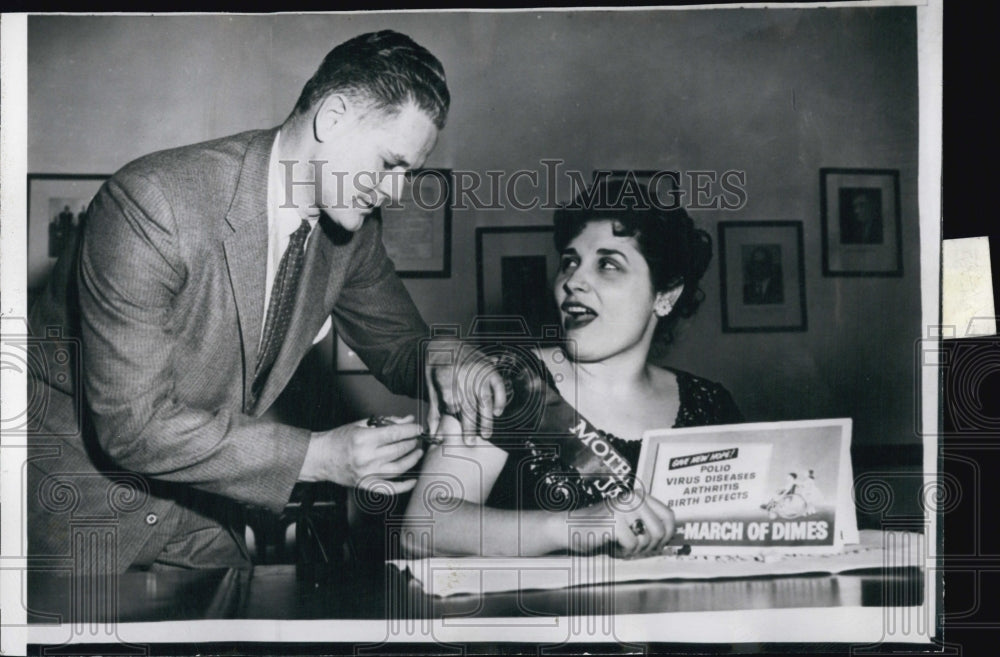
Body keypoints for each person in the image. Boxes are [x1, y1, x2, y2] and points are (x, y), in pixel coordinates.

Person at [27, 30, 505, 574]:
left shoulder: (352, 229)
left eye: (409, 174)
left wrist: (441, 356)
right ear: (333, 117)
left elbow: (399, 345)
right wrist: (321, 458)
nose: (396, 193)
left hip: (200, 512)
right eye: (390, 164)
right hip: (77, 508)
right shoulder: (154, 203)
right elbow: (134, 427)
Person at [403, 180, 742, 559]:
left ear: (665, 296)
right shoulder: (507, 380)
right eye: (570, 262)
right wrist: (573, 526)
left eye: (608, 265)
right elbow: (422, 529)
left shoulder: (710, 405)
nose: (573, 281)